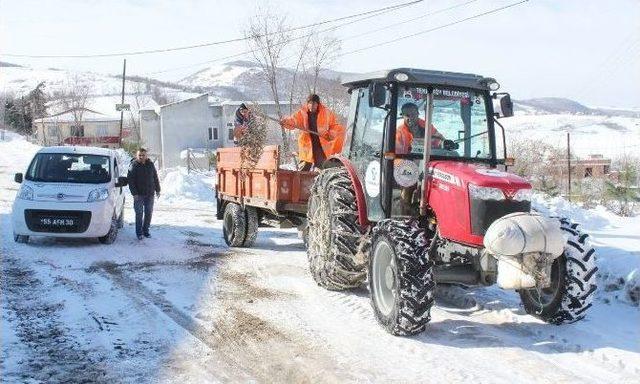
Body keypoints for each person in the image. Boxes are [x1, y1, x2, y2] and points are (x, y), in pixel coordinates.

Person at [280, 94, 345, 171]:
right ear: (307, 104)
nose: (311, 106)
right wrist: (286, 122)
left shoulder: (326, 113)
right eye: (310, 103)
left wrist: (331, 134)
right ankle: (301, 182)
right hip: (307, 145)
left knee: (323, 167)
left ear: (318, 104)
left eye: (313, 103)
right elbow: (294, 121)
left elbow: (334, 125)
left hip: (320, 146)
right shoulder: (302, 113)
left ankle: (322, 180)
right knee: (304, 167)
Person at [127, 148, 161, 240]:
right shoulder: (133, 165)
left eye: (143, 155)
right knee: (139, 214)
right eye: (139, 155)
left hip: (150, 194)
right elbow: (131, 181)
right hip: (138, 195)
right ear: (136, 156)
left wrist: (158, 189)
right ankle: (139, 233)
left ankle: (145, 231)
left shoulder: (150, 164)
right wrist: (134, 193)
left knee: (148, 213)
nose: (141, 157)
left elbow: (155, 177)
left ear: (146, 156)